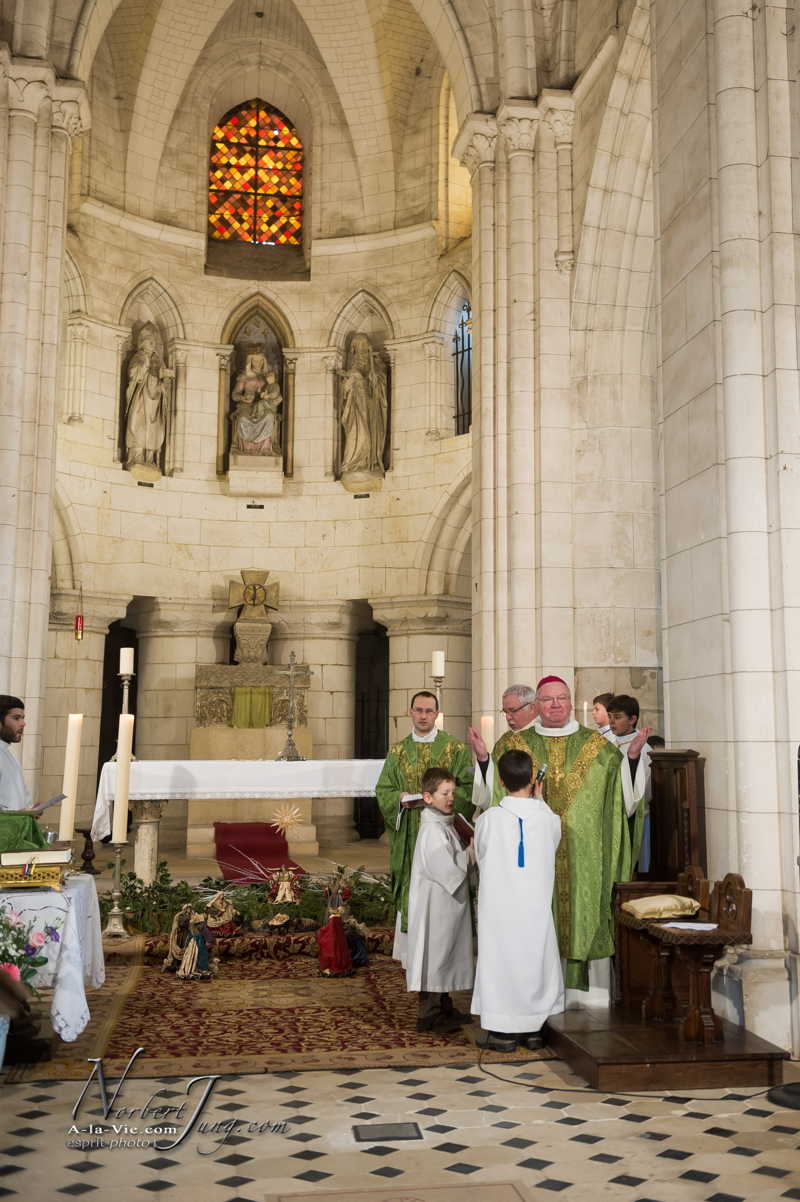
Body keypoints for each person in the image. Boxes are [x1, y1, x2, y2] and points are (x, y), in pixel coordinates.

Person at [471, 675, 630, 995]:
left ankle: (587, 997)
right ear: (537, 706)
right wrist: (486, 760)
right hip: (531, 865)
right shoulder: (512, 744)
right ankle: (534, 996)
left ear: (571, 703)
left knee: (582, 916)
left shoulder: (602, 749)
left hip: (584, 860)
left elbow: (623, 804)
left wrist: (635, 760)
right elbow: (490, 798)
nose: (555, 704)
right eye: (547, 699)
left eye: (561, 698)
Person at [472, 749, 563, 1051]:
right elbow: (553, 838)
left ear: (500, 781)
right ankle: (535, 1029)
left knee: (501, 961)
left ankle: (503, 1032)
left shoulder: (488, 819)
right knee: (534, 958)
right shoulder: (548, 818)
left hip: (500, 908)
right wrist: (540, 800)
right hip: (534, 907)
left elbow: (480, 856)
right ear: (532, 779)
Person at [375, 691, 474, 966]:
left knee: (442, 891)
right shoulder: (397, 751)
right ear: (410, 712)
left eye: (429, 711)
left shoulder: (455, 749)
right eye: (418, 710)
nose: (423, 716)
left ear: (437, 714)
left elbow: (466, 788)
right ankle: (412, 955)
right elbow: (383, 790)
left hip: (444, 832)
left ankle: (443, 958)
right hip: (409, 833)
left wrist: (446, 802)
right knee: (413, 888)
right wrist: (401, 798)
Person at [406, 767, 474, 1033]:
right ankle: (429, 1014)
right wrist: (470, 853)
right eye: (444, 793)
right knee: (436, 955)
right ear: (427, 797)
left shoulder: (443, 824)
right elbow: (449, 872)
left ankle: (444, 1005)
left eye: (452, 793)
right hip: (436, 907)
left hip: (446, 906)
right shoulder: (432, 832)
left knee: (445, 954)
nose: (450, 798)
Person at [467, 683, 538, 811]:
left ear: (532, 707)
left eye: (513, 711)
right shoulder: (505, 741)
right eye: (505, 712)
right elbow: (494, 780)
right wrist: (483, 758)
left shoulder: (543, 736)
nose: (508, 717)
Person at [607, 694, 652, 871]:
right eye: (610, 716)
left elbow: (642, 788)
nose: (611, 722)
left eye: (617, 717)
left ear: (632, 719)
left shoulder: (643, 748)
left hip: (633, 817)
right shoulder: (608, 742)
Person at [124, 322, 173, 474]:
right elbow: (132, 374)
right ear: (143, 342)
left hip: (155, 400)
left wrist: (165, 381)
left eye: (154, 342)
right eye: (149, 341)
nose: (152, 344)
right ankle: (136, 458)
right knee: (138, 425)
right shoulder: (139, 356)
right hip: (141, 398)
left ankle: (150, 459)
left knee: (155, 429)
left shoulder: (159, 359)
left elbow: (165, 379)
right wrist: (144, 365)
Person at [339, 332, 388, 476]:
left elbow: (381, 387)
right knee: (359, 435)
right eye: (359, 350)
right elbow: (345, 391)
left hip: (371, 410)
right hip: (355, 410)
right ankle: (352, 463)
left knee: (369, 436)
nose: (362, 354)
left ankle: (369, 462)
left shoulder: (376, 369)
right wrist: (349, 381)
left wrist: (376, 379)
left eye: (364, 349)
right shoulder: (352, 371)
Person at [0, 696, 32, 812]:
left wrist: (31, 810)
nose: (23, 724)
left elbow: (20, 800)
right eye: (16, 718)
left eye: (23, 718)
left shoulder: (10, 756)